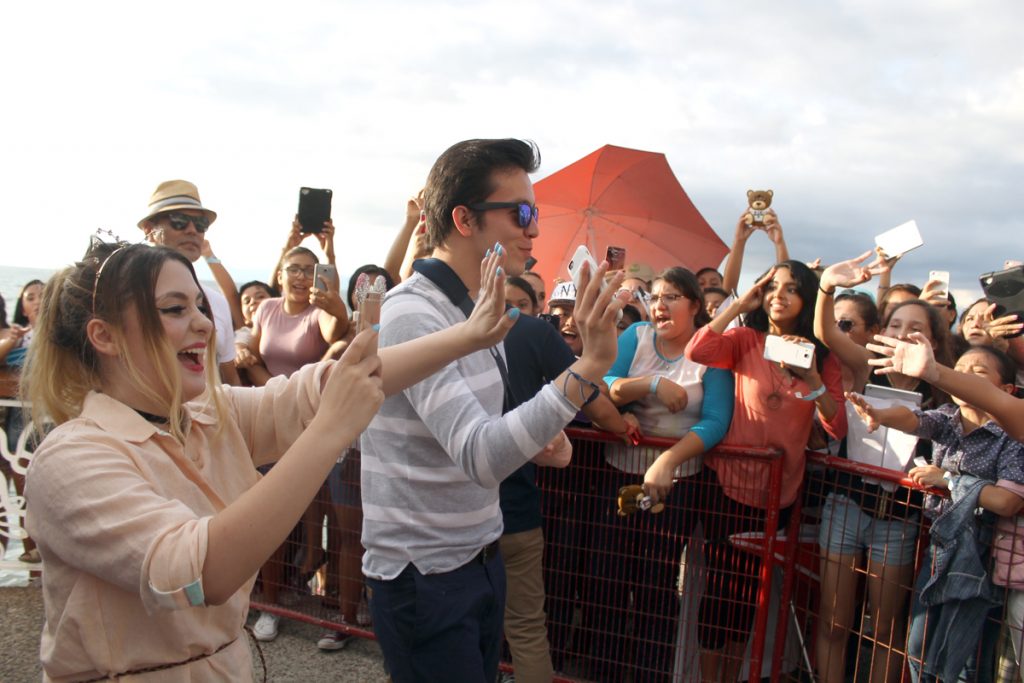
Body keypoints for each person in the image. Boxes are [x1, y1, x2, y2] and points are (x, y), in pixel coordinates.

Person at [22, 238, 517, 682]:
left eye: (199, 304)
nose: (203, 322)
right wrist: (329, 432)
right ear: (103, 336)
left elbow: (325, 388)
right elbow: (200, 573)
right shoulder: (71, 458)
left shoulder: (207, 415)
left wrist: (469, 336)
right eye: (174, 309)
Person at [360, 138, 628, 683]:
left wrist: (543, 436)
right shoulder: (413, 311)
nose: (534, 230)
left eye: (535, 214)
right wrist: (592, 364)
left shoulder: (481, 307)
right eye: (522, 213)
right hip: (425, 572)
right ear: (463, 218)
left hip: (480, 553)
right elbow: (481, 456)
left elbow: (487, 428)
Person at [686, 259, 846, 681]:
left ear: (807, 299)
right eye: (773, 286)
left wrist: (811, 376)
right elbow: (697, 350)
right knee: (720, 594)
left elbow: (835, 425)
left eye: (791, 288)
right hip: (725, 486)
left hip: (780, 493)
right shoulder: (744, 339)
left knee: (749, 598)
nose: (779, 294)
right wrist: (739, 302)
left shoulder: (822, 357)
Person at [813, 253, 954, 683]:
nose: (903, 333)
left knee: (886, 627)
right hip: (846, 504)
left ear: (933, 339)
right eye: (894, 325)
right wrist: (827, 287)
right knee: (834, 621)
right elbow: (824, 332)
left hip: (899, 516)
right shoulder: (864, 366)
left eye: (915, 328)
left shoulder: (941, 387)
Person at [848, 346, 1024, 683]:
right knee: (920, 647)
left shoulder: (1013, 438)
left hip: (982, 553)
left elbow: (1005, 502)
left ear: (1006, 392)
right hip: (941, 545)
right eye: (959, 368)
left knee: (965, 659)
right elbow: (915, 420)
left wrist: (949, 481)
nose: (965, 377)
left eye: (978, 372)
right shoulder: (948, 419)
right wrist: (881, 416)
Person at [597, 267, 734, 682]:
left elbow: (716, 421)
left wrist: (668, 460)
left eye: (672, 296)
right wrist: (653, 384)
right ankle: (606, 670)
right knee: (609, 578)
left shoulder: (711, 352)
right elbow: (606, 383)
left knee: (658, 585)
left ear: (696, 305)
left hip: (677, 486)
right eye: (655, 296)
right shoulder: (634, 336)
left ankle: (651, 675)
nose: (660, 304)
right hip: (616, 473)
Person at [138, 180, 241, 386]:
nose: (193, 230)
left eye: (201, 224)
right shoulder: (128, 297)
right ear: (149, 229)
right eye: (179, 221)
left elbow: (230, 380)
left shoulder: (216, 303)